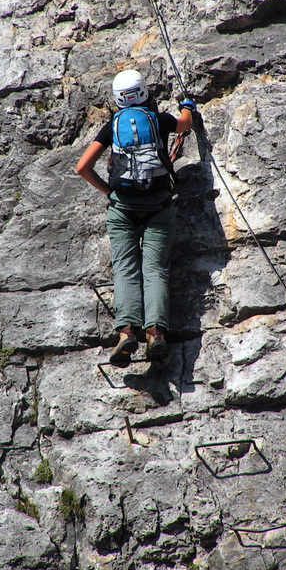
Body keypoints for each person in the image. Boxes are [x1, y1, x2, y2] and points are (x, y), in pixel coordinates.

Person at [76, 69, 195, 366]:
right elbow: (184, 125)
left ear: (118, 99)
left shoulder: (112, 126)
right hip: (159, 207)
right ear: (144, 92)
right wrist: (187, 106)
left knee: (125, 269)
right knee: (154, 269)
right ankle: (156, 334)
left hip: (122, 208)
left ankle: (127, 333)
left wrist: (108, 192)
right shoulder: (158, 119)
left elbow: (82, 167)